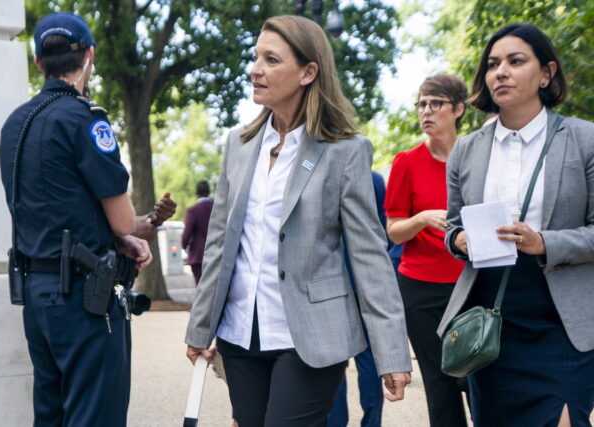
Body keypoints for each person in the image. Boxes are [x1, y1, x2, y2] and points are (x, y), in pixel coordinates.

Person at [185, 15, 411, 427]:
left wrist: (391, 351)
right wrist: (200, 329)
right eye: (256, 58)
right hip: (239, 334)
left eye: (271, 60)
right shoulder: (240, 143)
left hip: (311, 336)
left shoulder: (345, 150)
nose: (255, 69)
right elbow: (219, 243)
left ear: (309, 72)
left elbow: (368, 256)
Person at [0, 12, 171, 426]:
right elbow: (123, 221)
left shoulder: (14, 124)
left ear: (39, 61)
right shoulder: (84, 117)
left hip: (36, 294)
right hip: (83, 296)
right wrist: (123, 235)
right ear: (89, 55)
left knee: (52, 416)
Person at [438, 23, 594, 426]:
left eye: (515, 61)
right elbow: (452, 227)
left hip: (561, 320)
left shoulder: (583, 139)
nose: (500, 72)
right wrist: (460, 241)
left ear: (546, 74)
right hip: (491, 318)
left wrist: (543, 242)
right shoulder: (467, 150)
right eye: (492, 64)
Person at [385, 74, 469, 427]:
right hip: (419, 291)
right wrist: (421, 219)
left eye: (436, 103)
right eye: (421, 103)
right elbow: (394, 231)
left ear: (458, 109)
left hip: (470, 286)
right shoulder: (406, 162)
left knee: (477, 377)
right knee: (440, 384)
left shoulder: (477, 154)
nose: (426, 111)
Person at [327, 171, 389, 427]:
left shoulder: (323, 173)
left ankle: (335, 423)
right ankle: (372, 422)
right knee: (369, 359)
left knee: (333, 360)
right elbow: (383, 230)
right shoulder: (373, 179)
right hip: (366, 279)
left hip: (330, 279)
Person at [181, 180, 214, 285]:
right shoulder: (217, 209)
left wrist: (184, 245)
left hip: (198, 254)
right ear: (209, 192)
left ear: (196, 193)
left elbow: (187, 232)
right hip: (217, 251)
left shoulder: (193, 210)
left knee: (200, 286)